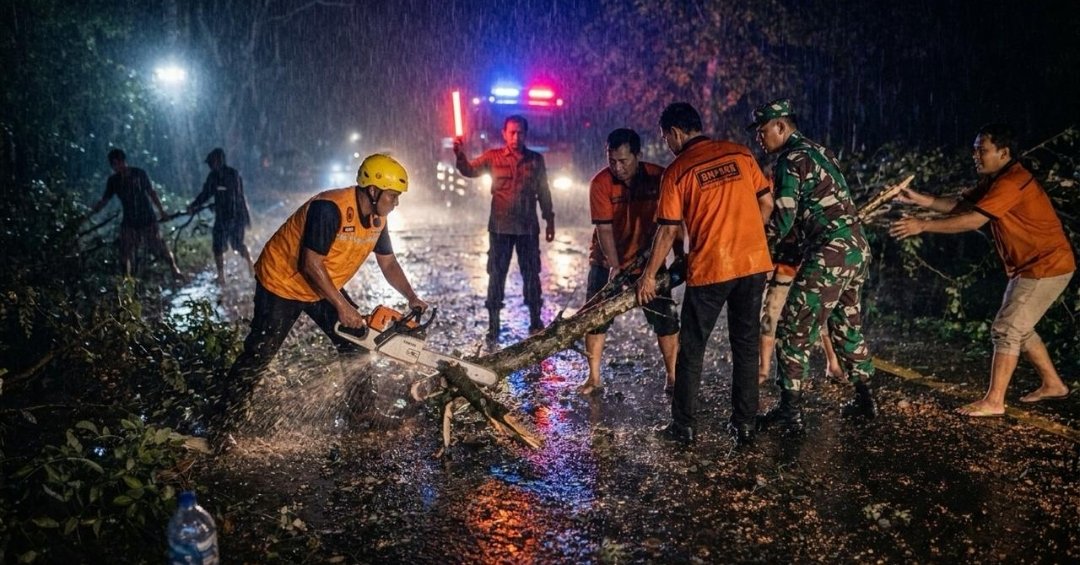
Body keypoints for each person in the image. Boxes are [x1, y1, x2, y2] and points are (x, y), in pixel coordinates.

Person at [212, 154, 428, 444]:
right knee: (259, 352)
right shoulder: (330, 208)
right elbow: (310, 263)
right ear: (373, 191)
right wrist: (342, 306)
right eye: (392, 196)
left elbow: (388, 263)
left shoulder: (378, 218)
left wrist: (412, 296)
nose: (396, 202)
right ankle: (223, 424)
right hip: (283, 282)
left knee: (356, 344)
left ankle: (361, 414)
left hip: (322, 284)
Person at [890, 123, 1075, 417]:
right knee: (1019, 328)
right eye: (975, 149)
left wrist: (922, 225)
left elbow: (972, 221)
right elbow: (961, 206)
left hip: (1046, 265)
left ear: (1004, 152)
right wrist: (921, 199)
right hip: (1031, 266)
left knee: (1006, 329)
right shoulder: (995, 179)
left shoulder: (1010, 182)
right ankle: (1053, 384)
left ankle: (994, 401)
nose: (976, 155)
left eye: (983, 150)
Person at [637, 102, 774, 447]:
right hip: (753, 263)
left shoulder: (677, 171)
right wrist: (749, 235)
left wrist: (648, 276)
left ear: (675, 133)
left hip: (712, 268)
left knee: (693, 348)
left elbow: (667, 231)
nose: (668, 144)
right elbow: (767, 203)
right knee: (744, 346)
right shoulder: (741, 154)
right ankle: (744, 425)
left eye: (666, 137)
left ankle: (684, 426)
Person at [750, 98, 877, 434]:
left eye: (763, 131)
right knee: (846, 323)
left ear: (781, 126)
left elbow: (784, 218)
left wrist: (755, 248)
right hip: (856, 248)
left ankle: (791, 414)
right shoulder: (819, 151)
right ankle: (867, 398)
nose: (759, 139)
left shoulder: (790, 160)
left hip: (830, 251)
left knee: (793, 326)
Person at [580, 128, 681, 396]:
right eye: (611, 160)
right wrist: (615, 265)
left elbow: (674, 222)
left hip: (649, 259)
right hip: (605, 260)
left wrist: (679, 254)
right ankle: (593, 378)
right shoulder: (600, 183)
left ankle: (673, 376)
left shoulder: (659, 178)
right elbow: (603, 230)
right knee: (595, 318)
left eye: (623, 161)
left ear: (638, 155)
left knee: (666, 318)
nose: (617, 167)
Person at [454, 115, 555, 339]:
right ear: (504, 133)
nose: (516, 137)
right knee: (496, 274)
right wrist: (460, 155)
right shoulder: (493, 157)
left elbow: (544, 192)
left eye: (520, 132)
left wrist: (550, 219)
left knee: (532, 275)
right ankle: (493, 325)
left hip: (528, 229)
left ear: (526, 134)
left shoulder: (535, 160)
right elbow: (470, 171)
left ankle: (535, 320)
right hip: (500, 228)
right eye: (512, 132)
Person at [89, 148, 183, 280]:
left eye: (118, 163)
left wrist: (162, 211)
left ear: (123, 161)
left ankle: (174, 269)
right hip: (130, 219)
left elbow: (151, 193)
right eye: (113, 165)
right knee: (124, 251)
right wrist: (94, 210)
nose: (116, 167)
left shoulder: (138, 173)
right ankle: (126, 281)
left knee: (158, 245)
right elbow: (105, 199)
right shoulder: (113, 181)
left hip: (147, 216)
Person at [187, 148, 254, 286]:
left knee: (237, 245)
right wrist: (194, 205)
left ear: (218, 161)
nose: (211, 165)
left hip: (235, 216)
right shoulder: (213, 177)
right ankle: (221, 276)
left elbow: (235, 197)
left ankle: (250, 264)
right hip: (222, 217)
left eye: (212, 162)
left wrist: (222, 205)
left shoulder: (232, 174)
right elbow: (206, 193)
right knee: (217, 245)